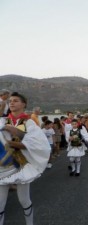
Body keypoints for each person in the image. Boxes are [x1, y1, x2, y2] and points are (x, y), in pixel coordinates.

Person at [0, 92, 50, 225]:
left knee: (24, 200)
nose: (11, 103)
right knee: (0, 204)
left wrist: (12, 142)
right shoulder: (2, 121)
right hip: (3, 166)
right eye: (10, 100)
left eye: (16, 100)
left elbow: (39, 145)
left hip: (22, 165)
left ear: (24, 104)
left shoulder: (29, 123)